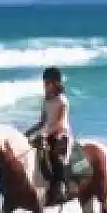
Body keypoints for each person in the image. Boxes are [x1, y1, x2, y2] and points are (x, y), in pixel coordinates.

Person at [24, 66, 73, 203]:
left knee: (56, 156)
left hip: (61, 134)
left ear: (55, 83)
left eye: (47, 83)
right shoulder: (46, 100)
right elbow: (42, 122)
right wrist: (28, 132)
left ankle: (62, 186)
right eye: (44, 83)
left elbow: (60, 123)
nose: (45, 86)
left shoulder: (62, 101)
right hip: (47, 133)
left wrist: (45, 133)